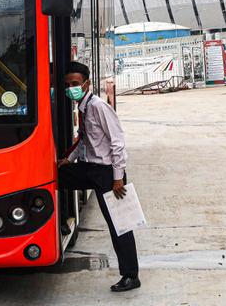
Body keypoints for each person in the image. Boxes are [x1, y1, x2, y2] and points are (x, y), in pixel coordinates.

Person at [58, 61, 140, 292]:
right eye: (67, 85)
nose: (71, 88)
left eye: (75, 84)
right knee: (55, 176)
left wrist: (117, 178)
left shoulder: (98, 107)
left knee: (119, 225)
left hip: (107, 174)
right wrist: (69, 160)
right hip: (90, 169)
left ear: (87, 84)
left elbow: (117, 143)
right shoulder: (82, 108)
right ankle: (62, 222)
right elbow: (84, 139)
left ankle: (131, 276)